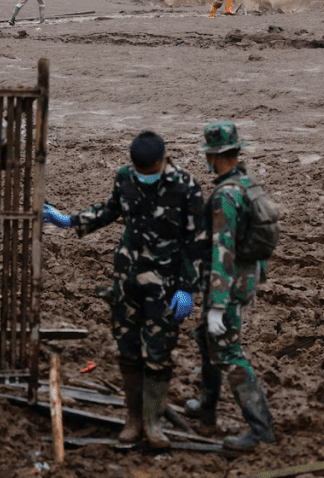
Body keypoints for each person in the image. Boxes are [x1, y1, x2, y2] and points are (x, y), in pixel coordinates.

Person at [43, 131, 203, 449]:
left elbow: (196, 241)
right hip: (127, 281)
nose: (142, 178)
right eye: (138, 172)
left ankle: (153, 424)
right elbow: (110, 209)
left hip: (165, 286)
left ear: (161, 161)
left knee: (158, 355)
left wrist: (188, 288)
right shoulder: (126, 178)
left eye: (148, 173)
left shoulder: (185, 186)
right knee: (128, 352)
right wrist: (69, 221)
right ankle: (133, 420)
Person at [187, 121, 276, 451]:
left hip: (229, 281)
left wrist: (219, 305)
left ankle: (261, 429)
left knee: (228, 351)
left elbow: (221, 250)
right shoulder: (249, 184)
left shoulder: (224, 196)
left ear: (213, 156)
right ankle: (207, 406)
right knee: (204, 336)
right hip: (247, 275)